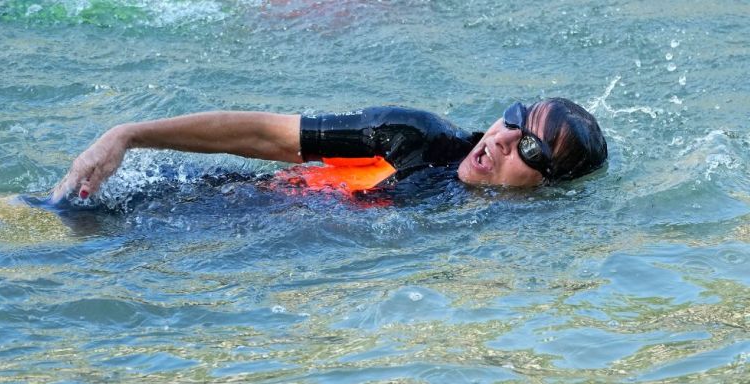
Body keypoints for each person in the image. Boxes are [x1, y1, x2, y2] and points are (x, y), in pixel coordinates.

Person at [50, 98, 607, 203]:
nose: (502, 140)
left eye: (529, 148)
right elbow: (265, 134)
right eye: (512, 119)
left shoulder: (508, 238)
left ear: (547, 185)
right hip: (194, 206)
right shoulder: (409, 136)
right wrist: (127, 134)